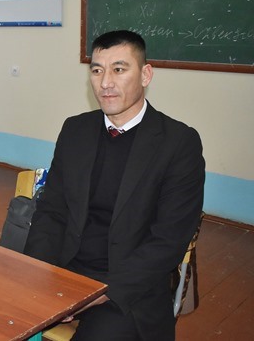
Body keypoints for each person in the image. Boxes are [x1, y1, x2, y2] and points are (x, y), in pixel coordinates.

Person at [23, 30, 205, 340]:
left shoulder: (178, 143)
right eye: (97, 70)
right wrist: (42, 274)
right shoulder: (76, 129)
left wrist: (98, 296)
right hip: (66, 270)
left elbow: (168, 241)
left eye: (119, 69)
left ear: (145, 75)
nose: (105, 82)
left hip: (129, 287)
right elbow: (52, 211)